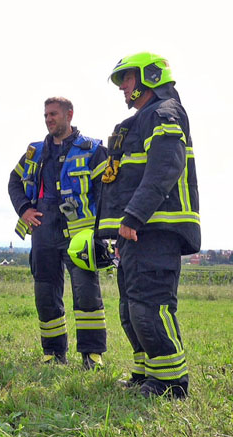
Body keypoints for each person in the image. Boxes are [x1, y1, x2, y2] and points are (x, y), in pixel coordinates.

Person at [98, 53, 199, 399]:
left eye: (126, 78)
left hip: (155, 229)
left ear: (149, 77)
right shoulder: (140, 120)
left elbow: (166, 166)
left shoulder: (164, 113)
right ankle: (146, 374)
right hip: (136, 231)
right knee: (131, 309)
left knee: (150, 305)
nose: (122, 87)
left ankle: (171, 384)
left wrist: (133, 216)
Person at [8, 98, 108, 369]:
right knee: (45, 294)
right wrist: (24, 209)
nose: (48, 119)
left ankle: (92, 354)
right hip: (43, 232)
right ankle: (53, 353)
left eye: (53, 114)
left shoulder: (93, 150)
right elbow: (14, 181)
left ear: (69, 115)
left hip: (80, 235)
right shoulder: (35, 152)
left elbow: (107, 191)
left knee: (86, 293)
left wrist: (103, 232)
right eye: (46, 115)